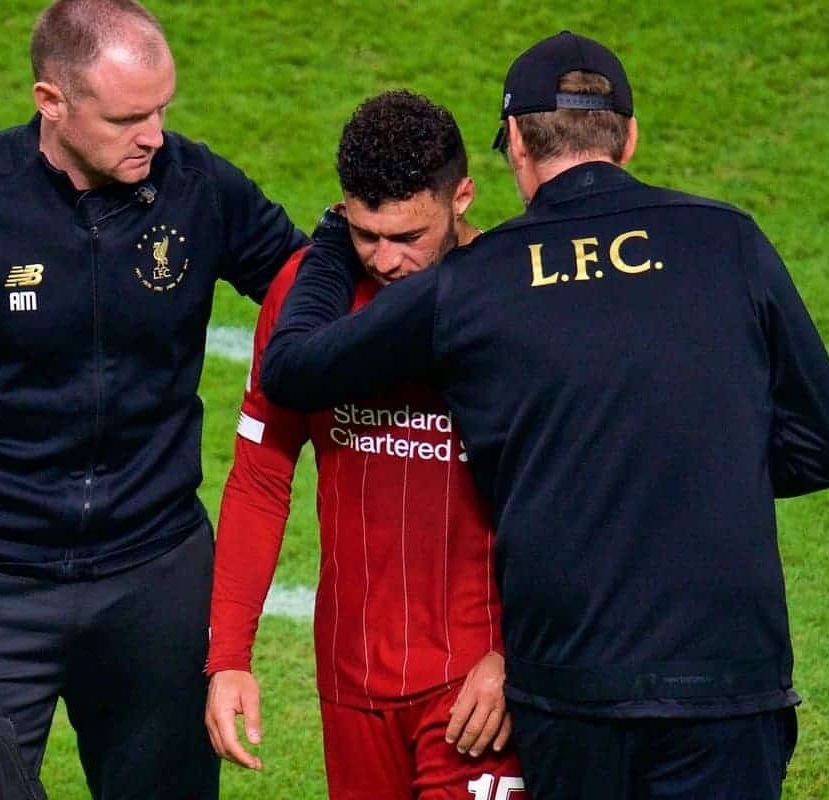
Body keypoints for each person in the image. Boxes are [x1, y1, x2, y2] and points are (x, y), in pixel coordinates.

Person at [258, 31, 829, 800]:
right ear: (629, 135)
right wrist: (692, 472)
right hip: (727, 680)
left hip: (570, 689)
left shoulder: (478, 280)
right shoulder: (728, 240)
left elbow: (293, 368)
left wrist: (333, 241)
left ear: (514, 142)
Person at [0, 0, 306, 797]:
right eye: (127, 117)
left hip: (156, 576)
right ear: (52, 102)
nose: (154, 135)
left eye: (161, 108)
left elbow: (304, 291)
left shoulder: (198, 188)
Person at [204, 91, 526, 800]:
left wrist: (516, 656)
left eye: (408, 236)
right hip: (349, 683)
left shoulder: (513, 303)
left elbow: (571, 494)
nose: (384, 260)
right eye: (364, 233)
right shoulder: (306, 301)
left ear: (462, 197)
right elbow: (260, 476)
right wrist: (228, 655)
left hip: (478, 683)